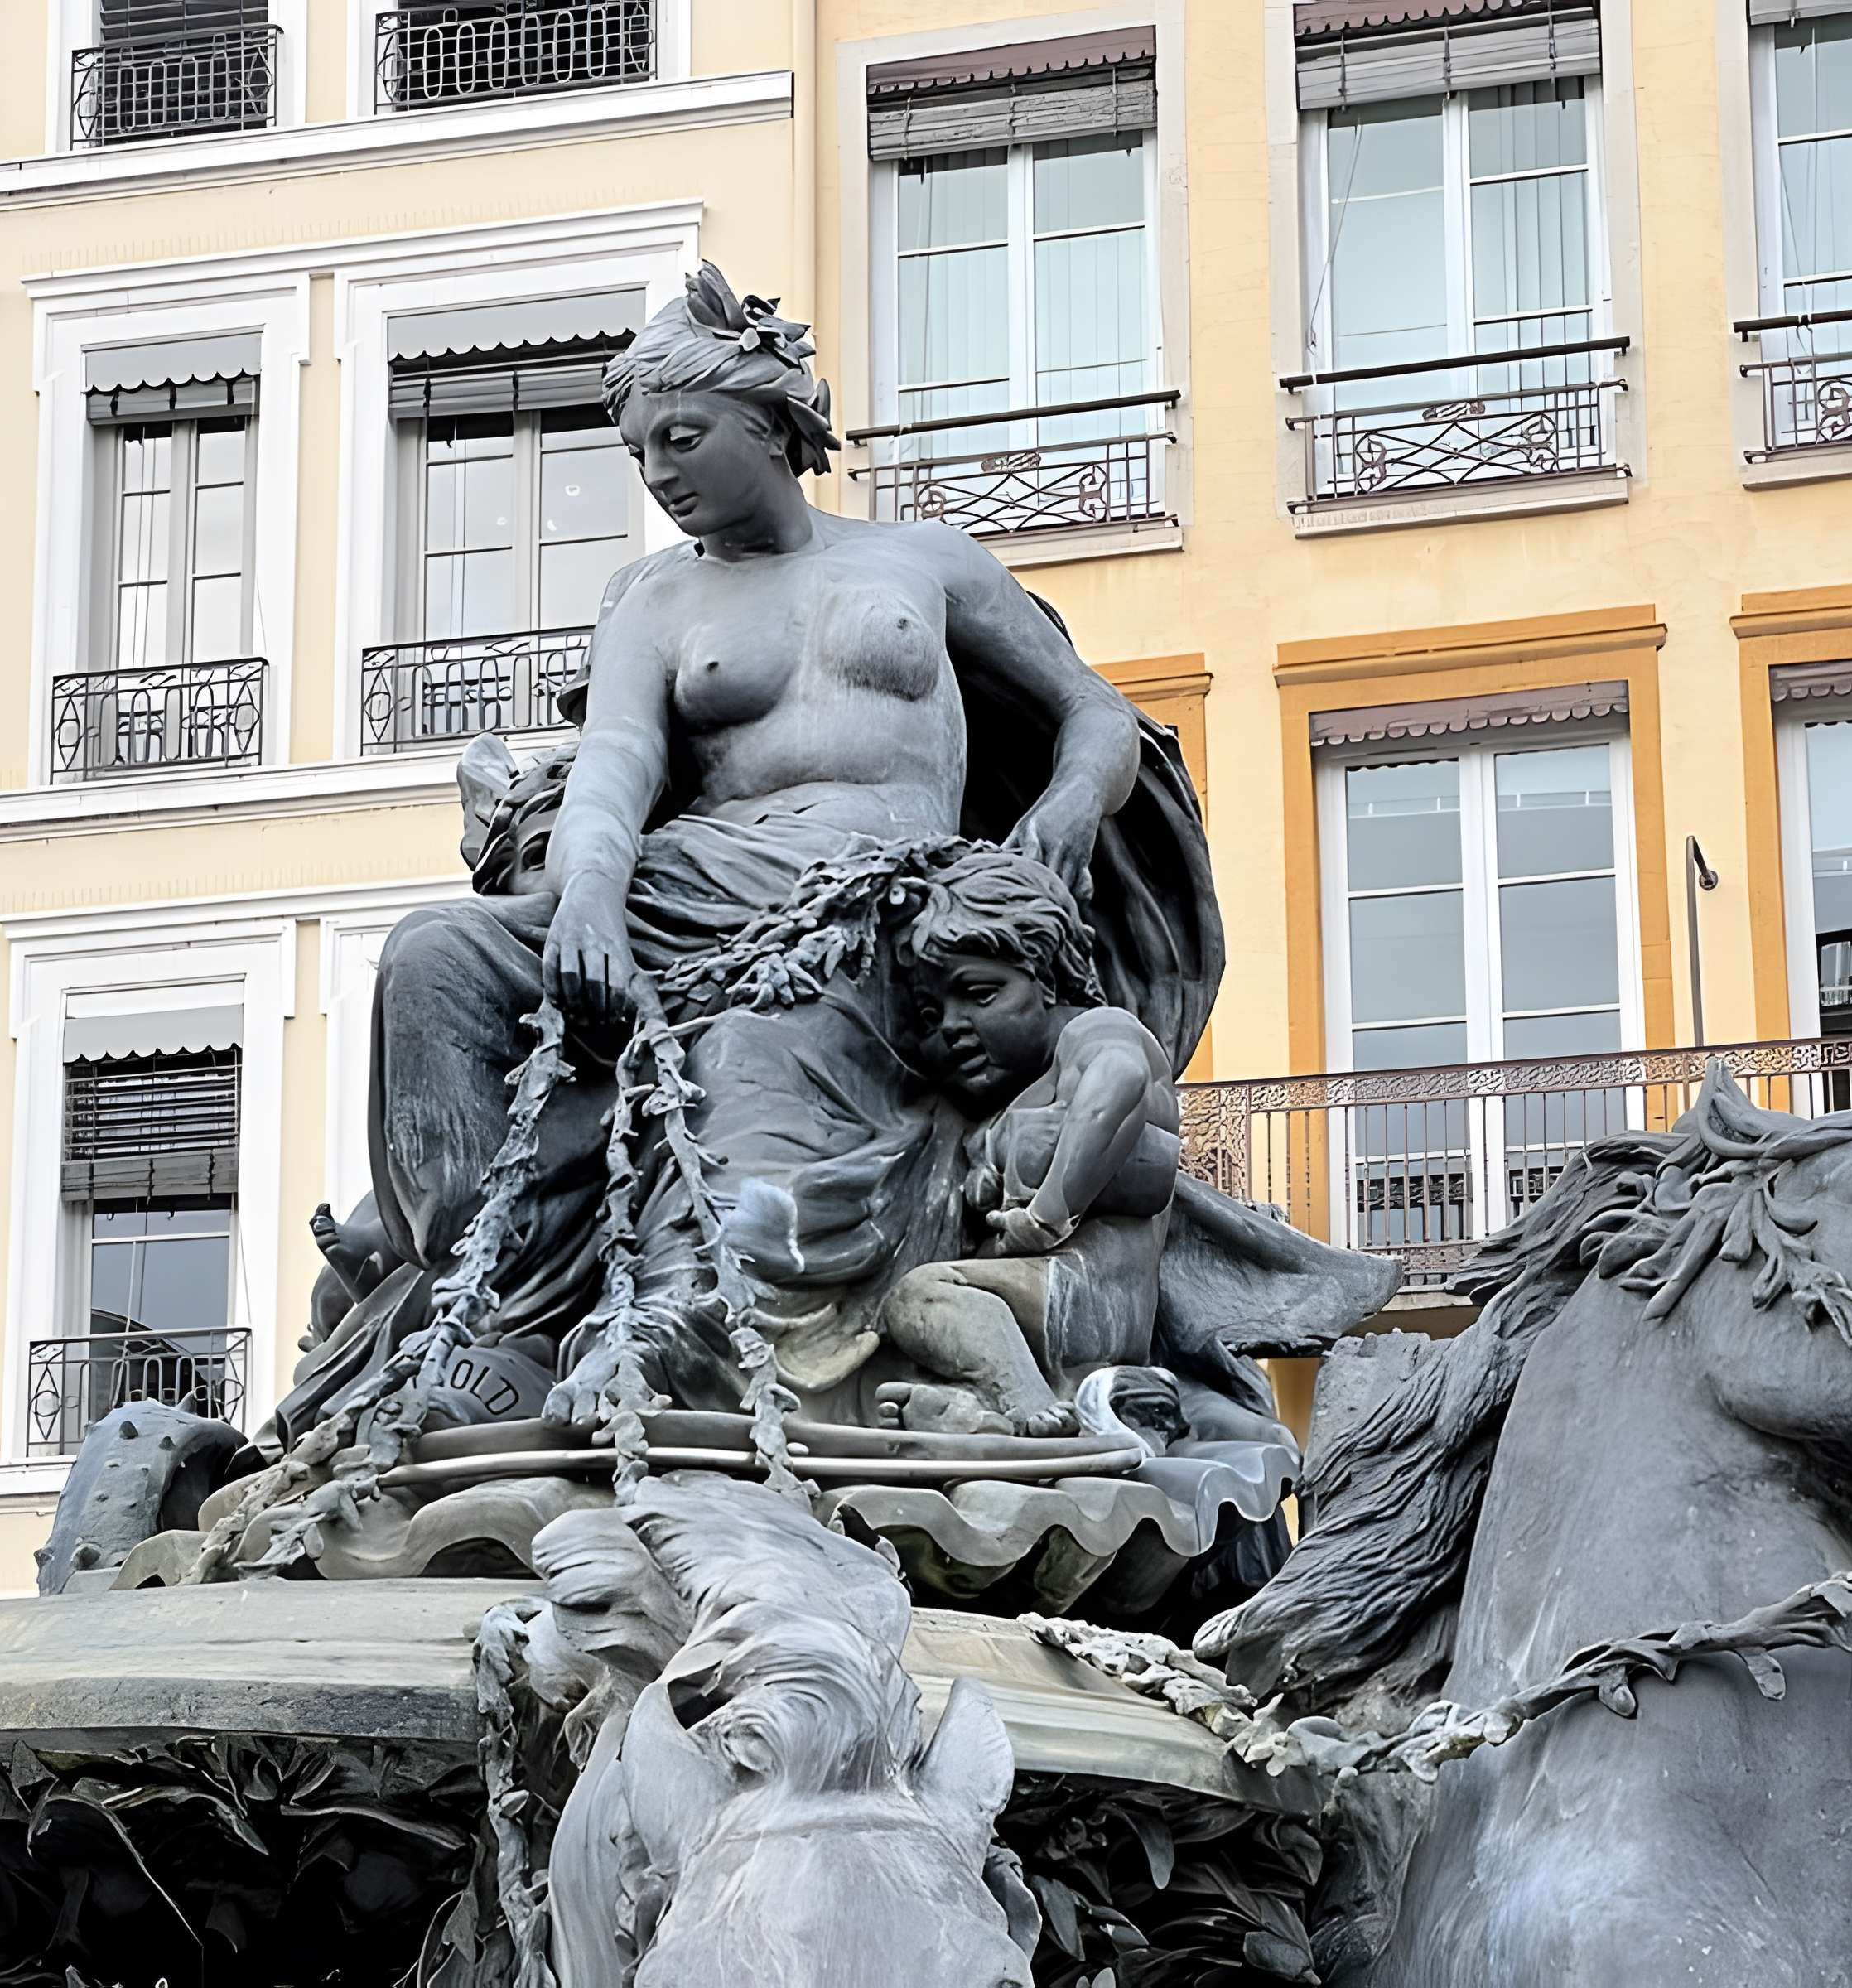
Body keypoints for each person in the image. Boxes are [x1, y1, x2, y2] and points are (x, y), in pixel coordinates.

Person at [358, 264, 1216, 1431]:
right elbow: (615, 763)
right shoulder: (652, 600)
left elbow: (1094, 710)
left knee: (753, 1050)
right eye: (638, 452)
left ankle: (681, 1316)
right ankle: (490, 1297)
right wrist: (589, 901)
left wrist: (1067, 807)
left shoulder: (926, 562)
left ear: (767, 425)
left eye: (681, 437)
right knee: (431, 959)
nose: (658, 474)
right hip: (688, 884)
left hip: (870, 909)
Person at [870, 847, 1180, 1437]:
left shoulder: (1097, 1030)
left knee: (921, 1297)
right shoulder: (1019, 1098)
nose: (952, 1027)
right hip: (1055, 1302)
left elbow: (1119, 1082)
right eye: (932, 1014)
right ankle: (974, 1411)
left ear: (1046, 978)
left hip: (1087, 1293)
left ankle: (1028, 1405)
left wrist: (1047, 1215)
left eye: (980, 993)